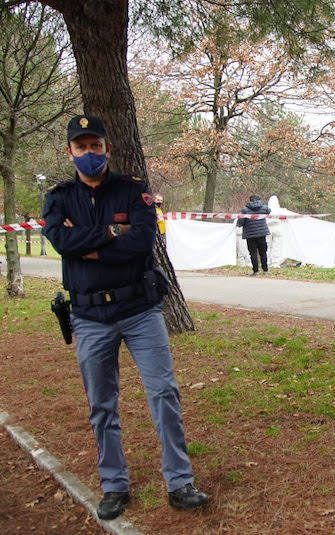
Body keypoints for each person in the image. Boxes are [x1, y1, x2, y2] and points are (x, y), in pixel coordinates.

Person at [43, 115, 208, 521]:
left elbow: (141, 241)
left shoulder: (134, 191)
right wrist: (108, 235)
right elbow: (58, 240)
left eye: (95, 146)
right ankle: (114, 485)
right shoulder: (59, 197)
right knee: (102, 405)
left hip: (139, 311)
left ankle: (179, 481)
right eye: (81, 148)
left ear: (107, 148)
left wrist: (88, 242)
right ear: (70, 153)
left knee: (164, 394)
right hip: (89, 316)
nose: (89, 154)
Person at [237, 194, 271, 275]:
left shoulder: (245, 210)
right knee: (263, 252)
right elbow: (269, 211)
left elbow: (240, 222)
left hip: (250, 234)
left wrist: (239, 224)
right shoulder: (264, 208)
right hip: (262, 233)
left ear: (250, 200)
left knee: (253, 253)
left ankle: (255, 271)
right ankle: (265, 270)